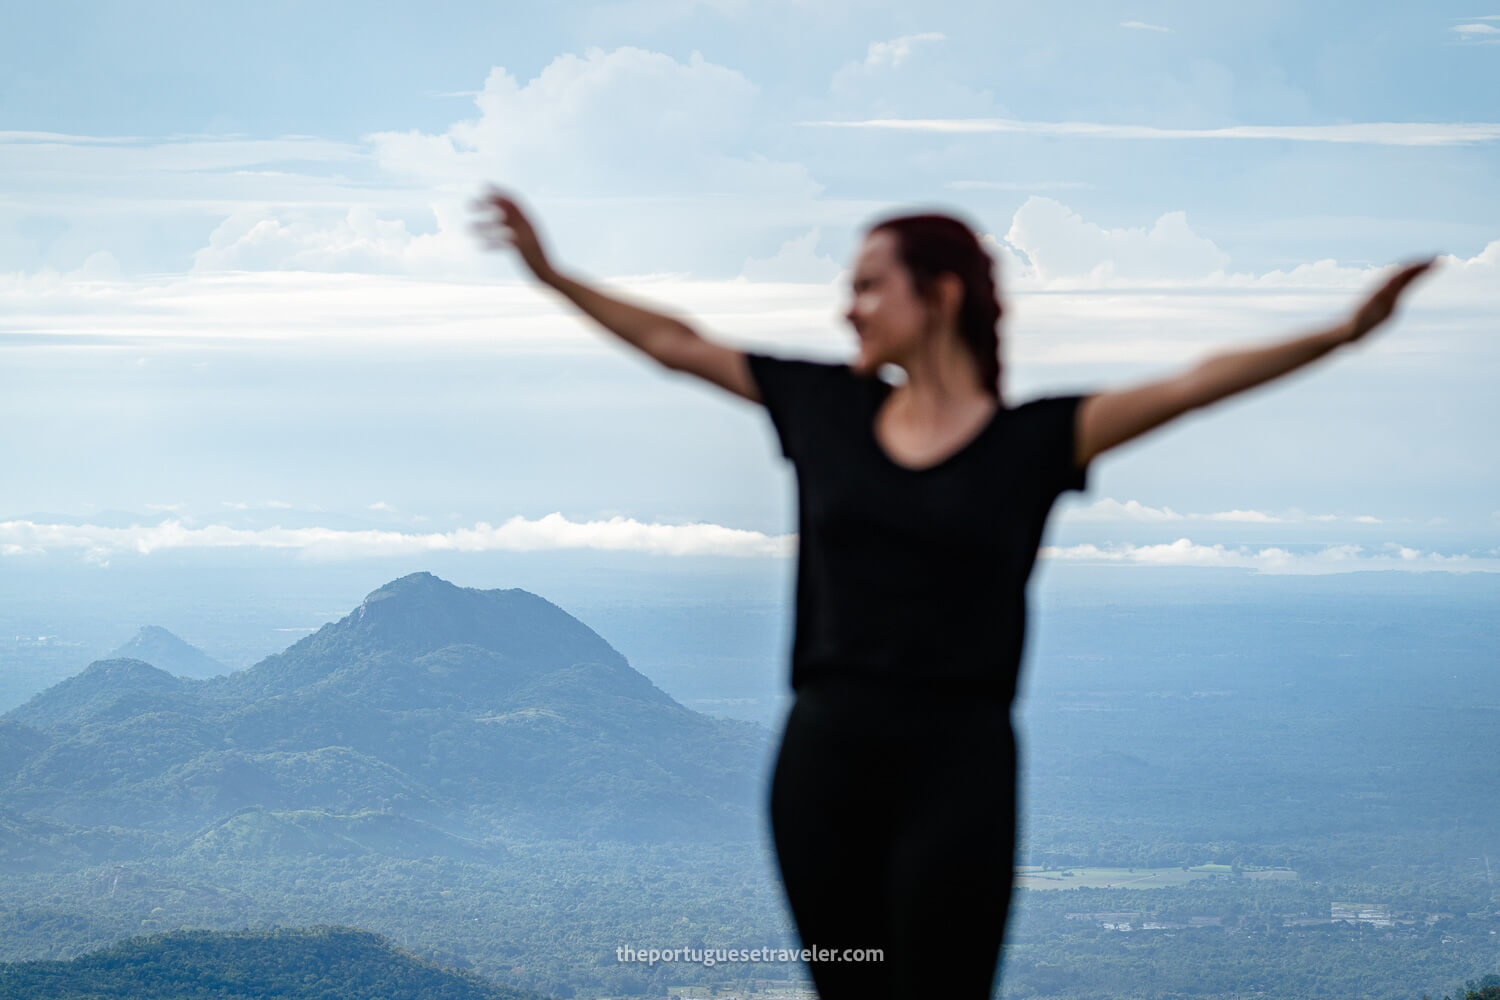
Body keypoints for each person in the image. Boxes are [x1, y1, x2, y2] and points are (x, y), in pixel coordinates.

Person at [471, 186, 1436, 999]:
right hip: (824, 765)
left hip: (958, 770)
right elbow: (672, 342)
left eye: (865, 286)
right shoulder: (823, 408)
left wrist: (1346, 332)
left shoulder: (1036, 440)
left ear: (935, 295)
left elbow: (1194, 384)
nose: (847, 310)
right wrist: (550, 275)